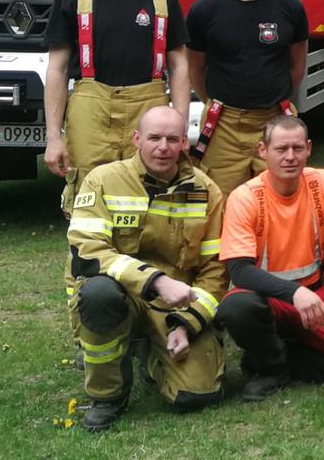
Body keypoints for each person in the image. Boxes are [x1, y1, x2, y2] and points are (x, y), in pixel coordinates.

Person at [65, 106, 226, 431]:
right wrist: (156, 281)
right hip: (118, 294)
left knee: (196, 396)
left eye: (171, 139)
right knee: (98, 294)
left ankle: (151, 355)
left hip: (174, 306)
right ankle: (108, 396)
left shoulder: (207, 191)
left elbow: (215, 271)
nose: (163, 147)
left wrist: (187, 326)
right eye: (154, 138)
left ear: (184, 142)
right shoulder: (103, 180)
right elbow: (88, 251)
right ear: (137, 138)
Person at [216, 116, 324, 399]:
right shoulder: (244, 197)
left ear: (309, 149)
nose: (290, 157)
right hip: (268, 300)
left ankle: (287, 354)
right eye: (281, 149)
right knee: (237, 307)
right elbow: (239, 271)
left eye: (297, 148)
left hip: (317, 298)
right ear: (263, 151)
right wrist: (294, 293)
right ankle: (272, 369)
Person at [44, 0, 189, 214]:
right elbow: (56, 70)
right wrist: (53, 138)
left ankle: (144, 260)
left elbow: (179, 66)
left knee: (151, 191)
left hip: (147, 104)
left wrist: (180, 126)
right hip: (90, 107)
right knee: (89, 195)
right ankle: (88, 261)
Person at [186, 0, 308, 196]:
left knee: (277, 200)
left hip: (274, 120)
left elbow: (297, 65)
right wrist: (215, 101)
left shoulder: (291, 8)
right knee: (220, 204)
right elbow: (195, 67)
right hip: (223, 125)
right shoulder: (205, 10)